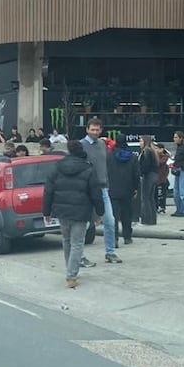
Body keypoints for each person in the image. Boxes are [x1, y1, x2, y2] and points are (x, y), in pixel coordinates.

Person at [43, 140, 105, 289]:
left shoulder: (57, 167)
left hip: (62, 211)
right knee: (77, 242)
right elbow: (95, 193)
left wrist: (46, 212)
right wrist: (99, 212)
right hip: (81, 211)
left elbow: (48, 191)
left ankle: (70, 269)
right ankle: (71, 275)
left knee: (66, 240)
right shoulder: (88, 169)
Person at [82, 118, 121, 263]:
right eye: (92, 129)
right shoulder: (81, 145)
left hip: (103, 188)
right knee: (84, 224)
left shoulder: (103, 144)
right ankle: (79, 256)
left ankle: (110, 252)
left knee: (109, 221)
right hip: (87, 190)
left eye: (97, 130)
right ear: (87, 129)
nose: (95, 132)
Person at [107, 141, 139, 245]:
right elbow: (136, 174)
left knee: (114, 216)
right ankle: (127, 237)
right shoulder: (132, 157)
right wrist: (136, 188)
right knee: (127, 214)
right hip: (127, 189)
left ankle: (114, 238)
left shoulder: (109, 157)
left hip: (113, 189)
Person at [138, 135, 159, 226]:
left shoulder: (146, 151)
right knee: (151, 198)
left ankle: (146, 220)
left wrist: (140, 172)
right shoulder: (152, 151)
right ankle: (152, 219)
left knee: (145, 198)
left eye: (141, 141)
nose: (140, 143)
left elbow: (145, 166)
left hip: (148, 176)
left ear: (145, 142)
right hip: (154, 175)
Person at [154, 142, 171, 214]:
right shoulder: (156, 156)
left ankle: (162, 207)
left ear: (161, 149)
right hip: (156, 178)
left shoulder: (164, 156)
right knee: (155, 194)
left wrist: (156, 154)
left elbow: (159, 163)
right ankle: (156, 207)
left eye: (157, 148)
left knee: (161, 194)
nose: (156, 150)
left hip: (161, 179)